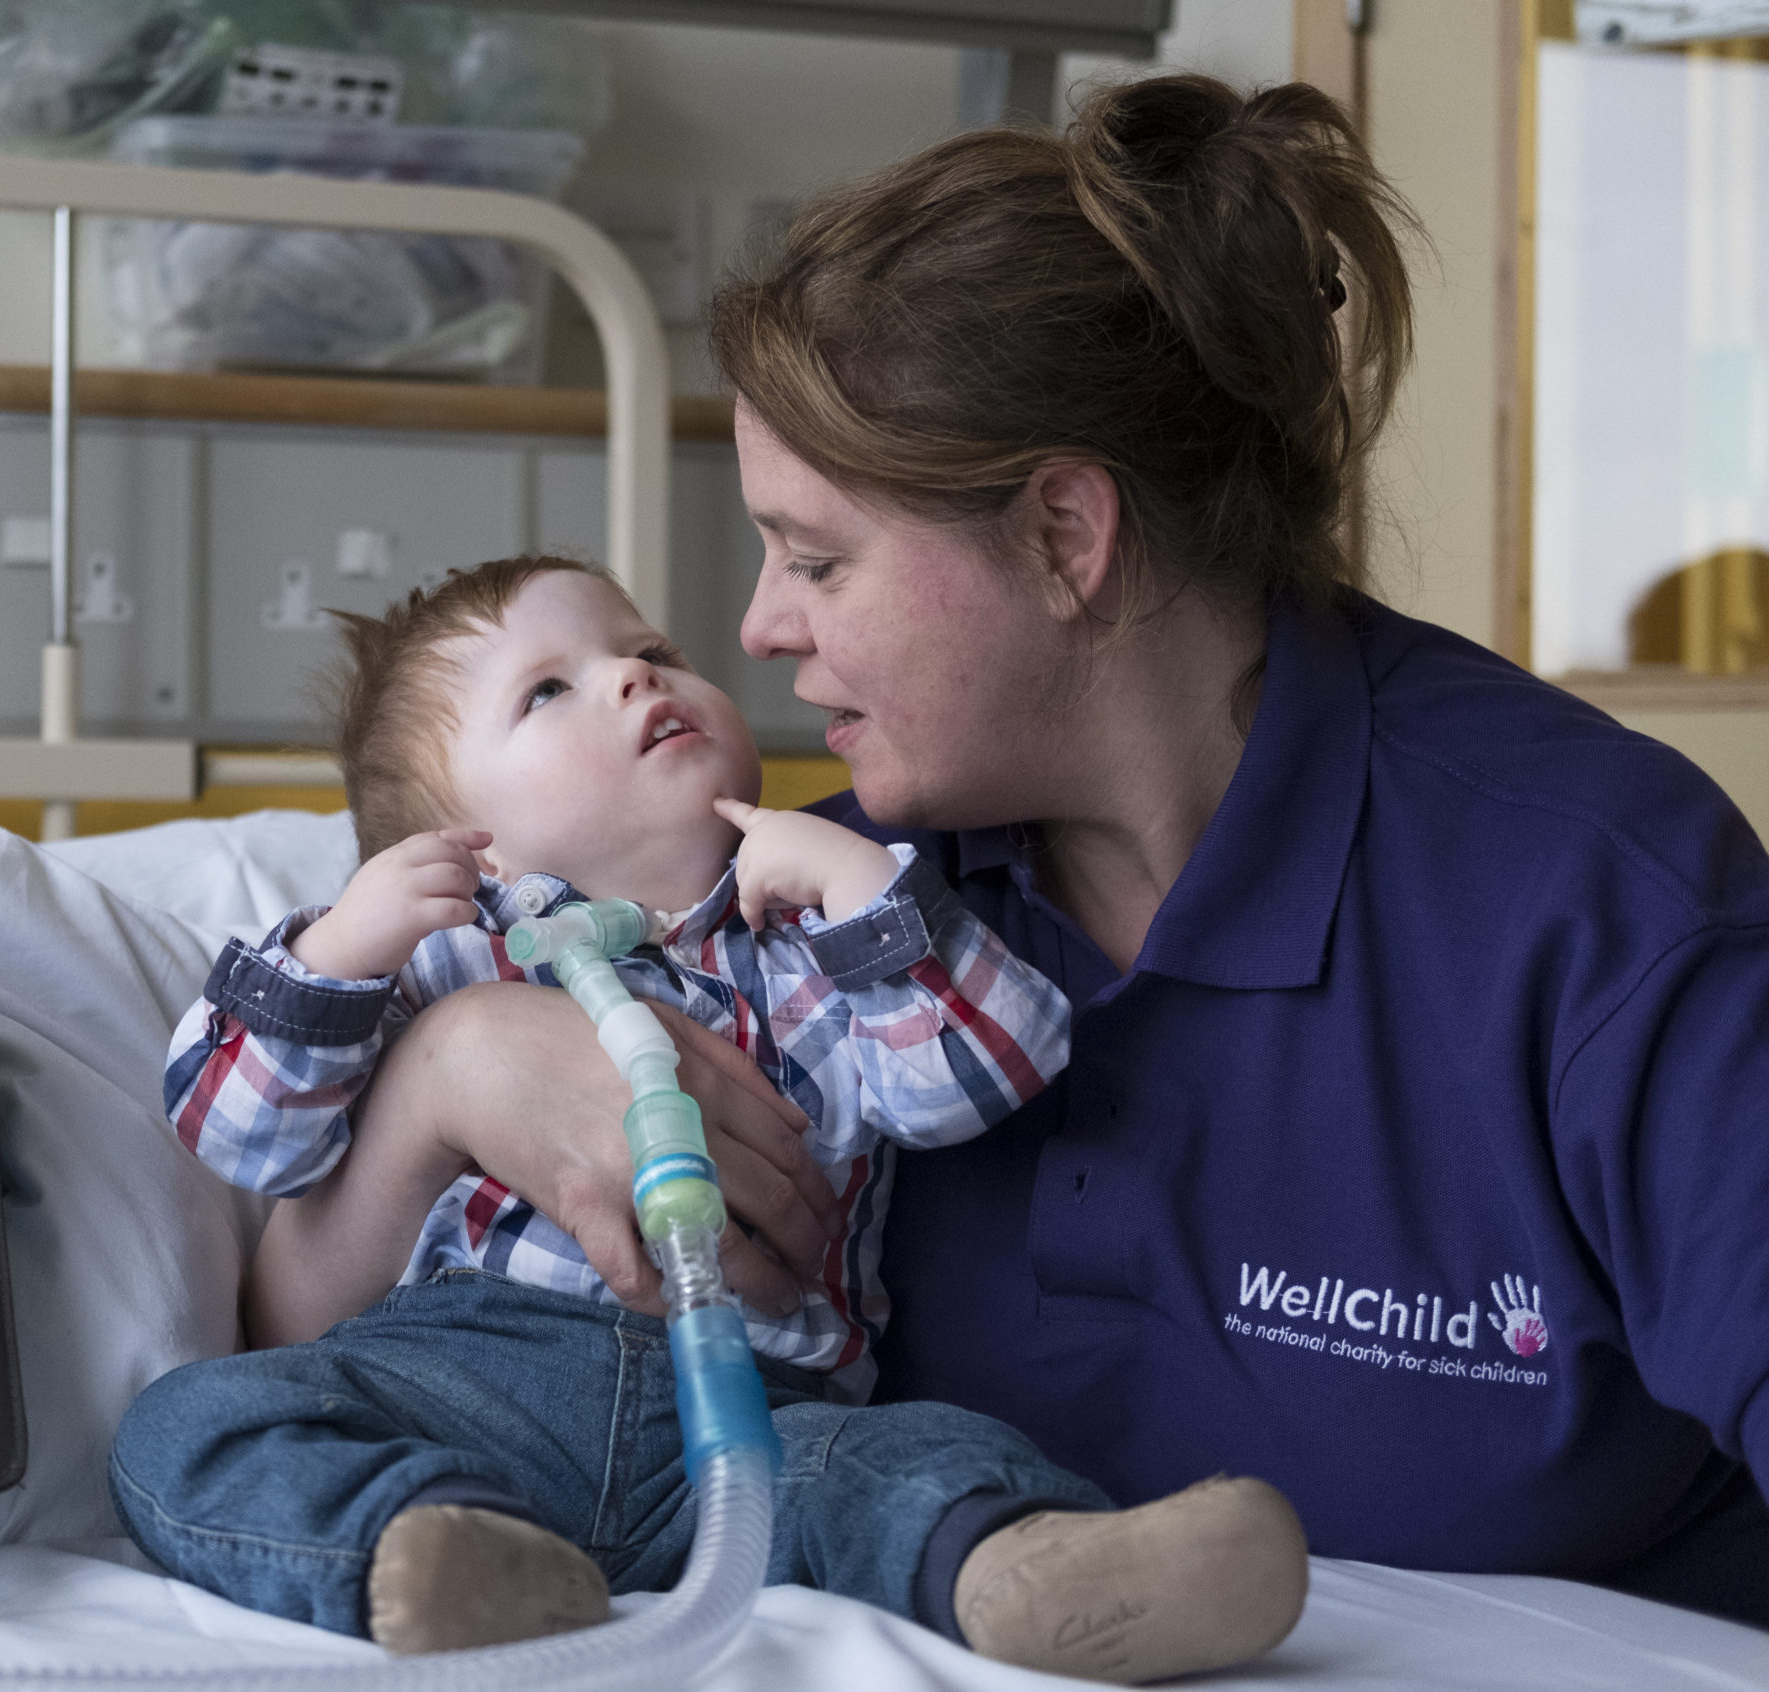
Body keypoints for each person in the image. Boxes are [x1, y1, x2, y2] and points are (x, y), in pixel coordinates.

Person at [243, 72, 1769, 1630]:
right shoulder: (806, 915)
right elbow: (303, 1348)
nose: (760, 630)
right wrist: (451, 1078)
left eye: (818, 558)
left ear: (1062, 536)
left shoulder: (1596, 913)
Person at [112, 555, 1311, 1681]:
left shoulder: (815, 951)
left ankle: (1037, 1575)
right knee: (189, 1422)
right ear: (453, 835)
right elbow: (236, 1136)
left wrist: (861, 893)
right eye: (546, 690)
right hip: (467, 1394)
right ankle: (433, 1554)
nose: (635, 673)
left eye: (648, 647)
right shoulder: (442, 960)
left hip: (761, 1418)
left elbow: (988, 1072)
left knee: (918, 1460)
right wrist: (339, 946)